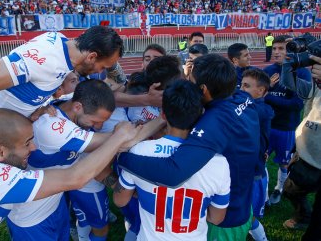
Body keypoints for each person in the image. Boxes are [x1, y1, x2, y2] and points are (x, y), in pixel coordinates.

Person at [118, 54, 260, 240]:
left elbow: (173, 173)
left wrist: (124, 158)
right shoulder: (241, 97)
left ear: (203, 89)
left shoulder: (212, 123)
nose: (187, 83)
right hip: (239, 196)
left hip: (225, 215)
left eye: (190, 81)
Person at [0, 108, 141, 240]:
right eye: (27, 143)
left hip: (53, 210)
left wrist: (44, 107)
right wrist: (119, 136)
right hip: (30, 224)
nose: (33, 147)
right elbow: (74, 178)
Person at [0, 26, 124, 152]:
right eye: (103, 67)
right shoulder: (44, 60)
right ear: (92, 56)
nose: (100, 72)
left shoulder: (60, 44)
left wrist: (40, 107)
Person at [113, 79, 231, 240]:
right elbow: (216, 218)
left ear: (163, 114)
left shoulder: (139, 151)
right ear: (201, 113)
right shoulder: (219, 163)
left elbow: (120, 200)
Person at [263, 35, 311, 205]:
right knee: (261, 159)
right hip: (266, 126)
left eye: (281, 48)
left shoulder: (301, 72)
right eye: (274, 48)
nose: (276, 52)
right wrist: (264, 92)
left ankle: (279, 188)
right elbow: (257, 97)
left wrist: (267, 95)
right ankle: (263, 193)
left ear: (290, 51)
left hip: (287, 128)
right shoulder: (267, 71)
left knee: (284, 164)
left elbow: (296, 105)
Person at [280, 53, 321, 235]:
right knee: (291, 189)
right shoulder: (318, 85)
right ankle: (304, 215)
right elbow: (296, 87)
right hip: (308, 152)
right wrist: (289, 64)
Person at [241, 68, 274, 241]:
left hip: (253, 173)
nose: (241, 89)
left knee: (247, 214)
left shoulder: (259, 110)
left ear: (260, 91)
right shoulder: (251, 107)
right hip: (249, 170)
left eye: (246, 86)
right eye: (241, 85)